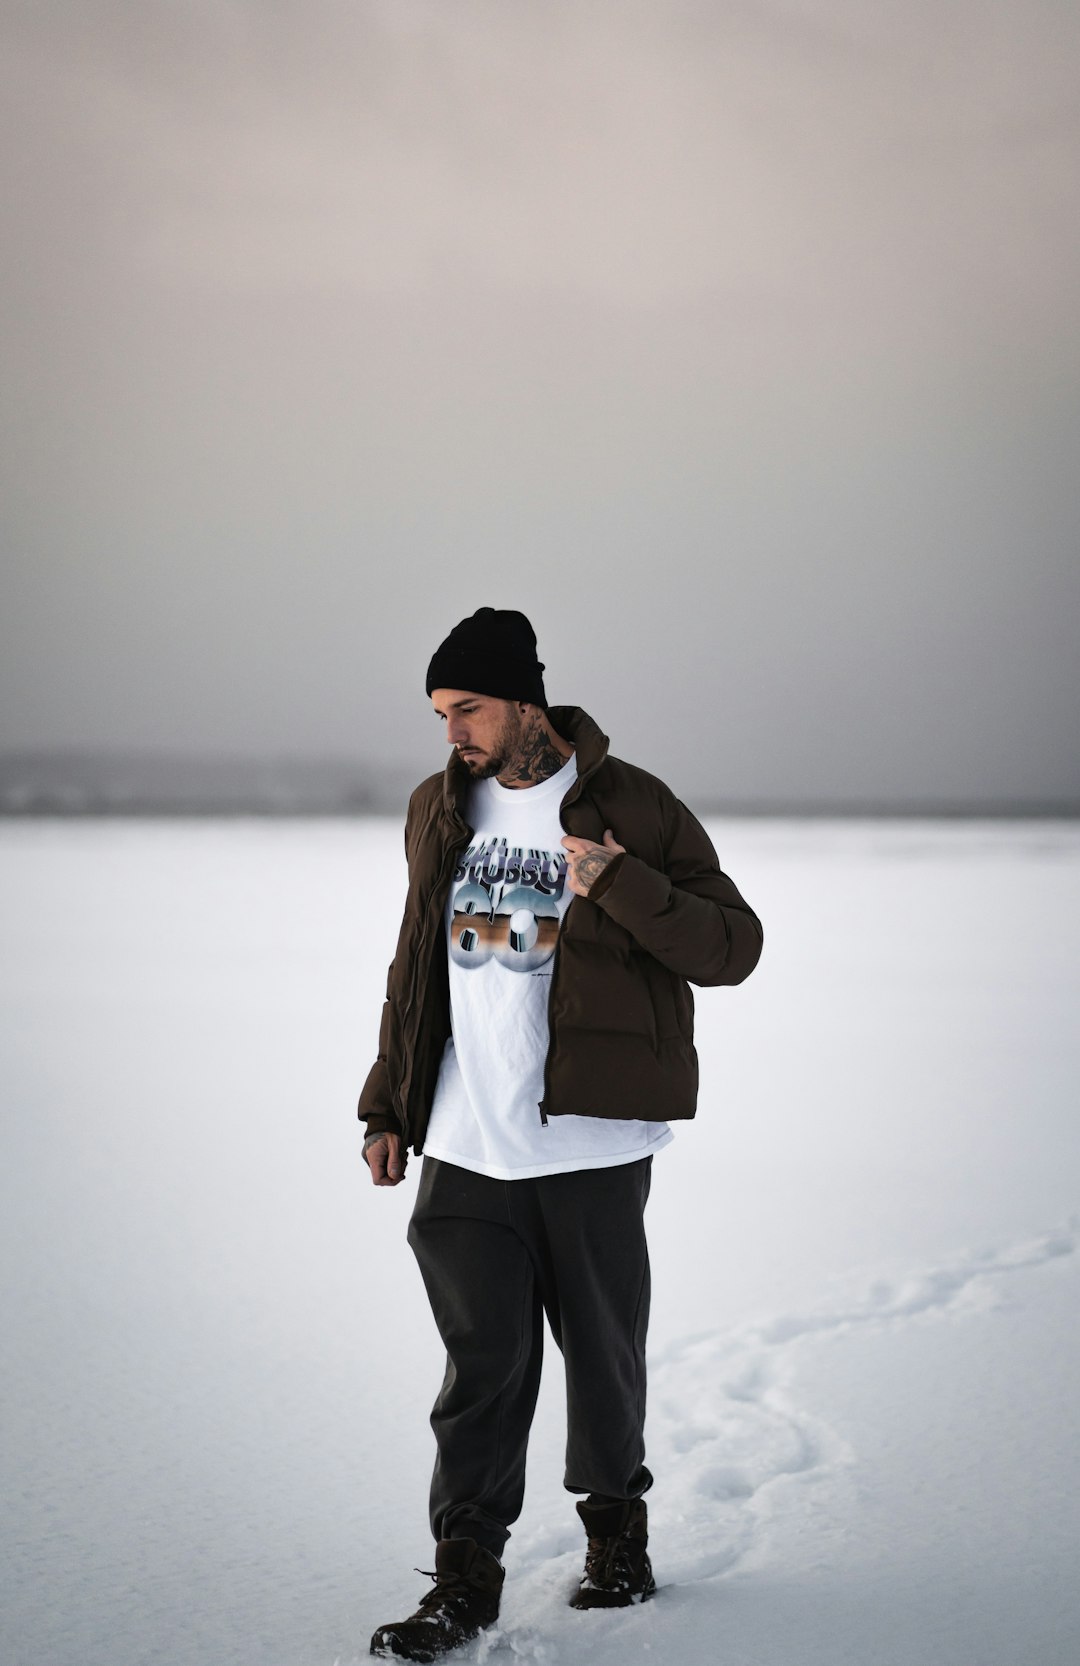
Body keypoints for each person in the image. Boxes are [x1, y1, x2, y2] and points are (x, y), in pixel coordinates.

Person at [359, 608, 762, 1661]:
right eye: (442, 713)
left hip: (589, 1143)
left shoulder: (632, 802)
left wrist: (619, 879)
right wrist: (387, 1100)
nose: (453, 732)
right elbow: (417, 965)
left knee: (601, 1358)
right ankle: (464, 1581)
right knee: (479, 1372)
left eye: (471, 709)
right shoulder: (437, 805)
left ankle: (615, 1538)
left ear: (527, 702)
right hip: (462, 1141)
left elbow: (732, 946)